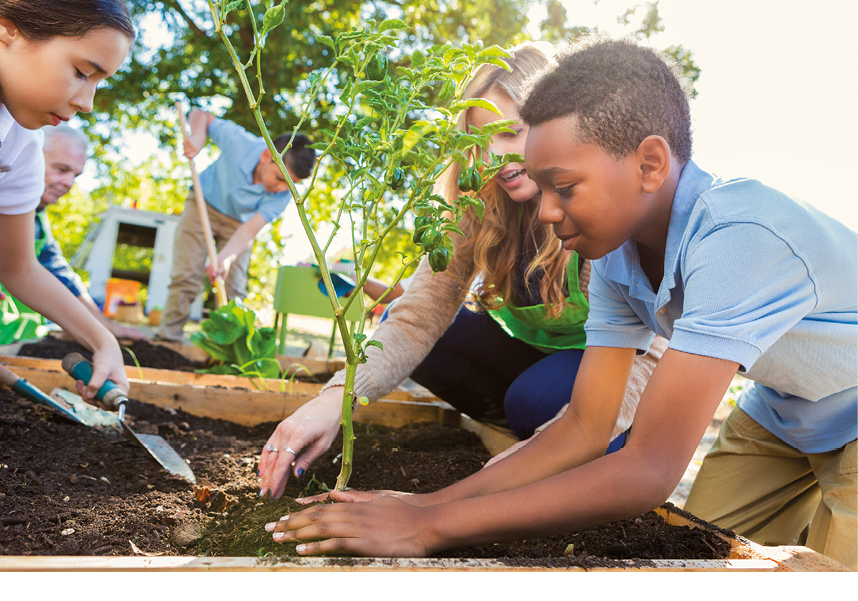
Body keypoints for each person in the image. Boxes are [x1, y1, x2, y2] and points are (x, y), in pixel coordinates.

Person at [264, 36, 858, 569]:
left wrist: (428, 526)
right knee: (706, 553)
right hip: (782, 412)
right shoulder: (618, 259)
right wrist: (427, 503)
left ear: (650, 163)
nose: (545, 211)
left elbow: (649, 470)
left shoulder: (738, 239)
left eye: (563, 187)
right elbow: (581, 426)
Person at [257, 42, 666, 501]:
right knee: (409, 327)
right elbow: (418, 314)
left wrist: (532, 461)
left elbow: (651, 352)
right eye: (481, 139)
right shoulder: (476, 204)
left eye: (512, 133)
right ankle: (516, 429)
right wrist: (336, 399)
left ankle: (554, 433)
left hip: (611, 371)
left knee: (534, 398)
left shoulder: (599, 207)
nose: (495, 156)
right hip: (535, 361)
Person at [0, 0, 134, 400]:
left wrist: (102, 340)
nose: (87, 103)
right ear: (8, 29)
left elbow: (19, 266)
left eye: (97, 83)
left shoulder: (21, 145)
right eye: (81, 73)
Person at [156, 109, 316, 342]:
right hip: (203, 205)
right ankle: (167, 339)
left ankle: (228, 348)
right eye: (281, 179)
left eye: (292, 185)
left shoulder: (283, 195)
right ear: (265, 156)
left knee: (234, 286)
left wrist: (225, 258)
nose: (283, 188)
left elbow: (249, 231)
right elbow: (202, 115)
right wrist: (198, 138)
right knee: (187, 276)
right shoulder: (241, 143)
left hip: (239, 224)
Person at [0, 123, 145, 343]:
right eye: (61, 169)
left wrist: (104, 328)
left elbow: (60, 274)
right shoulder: (6, 204)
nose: (68, 183)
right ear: (31, 156)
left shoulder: (38, 216)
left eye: (75, 175)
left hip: (14, 342)